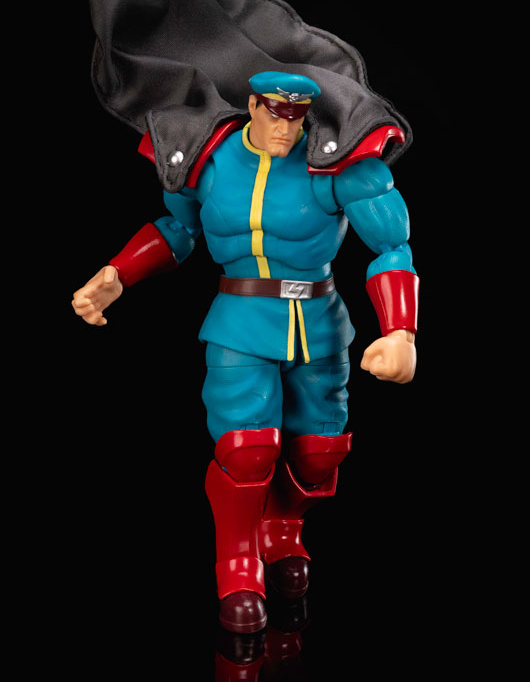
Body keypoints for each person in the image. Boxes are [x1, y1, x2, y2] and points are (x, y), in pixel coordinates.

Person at [72, 70, 419, 633]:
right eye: (275, 114)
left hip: (319, 324)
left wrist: (400, 330)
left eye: (297, 117)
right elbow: (178, 228)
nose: (286, 129)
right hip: (241, 320)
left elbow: (392, 244)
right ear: (253, 105)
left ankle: (283, 530)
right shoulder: (205, 159)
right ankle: (236, 564)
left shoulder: (337, 164)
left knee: (320, 452)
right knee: (246, 449)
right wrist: (119, 273)